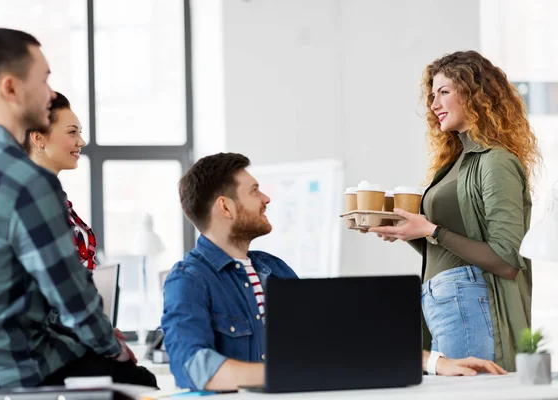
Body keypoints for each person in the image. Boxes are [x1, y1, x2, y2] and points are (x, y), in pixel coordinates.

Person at [161, 152, 507, 392]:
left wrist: (434, 362)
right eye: (253, 191)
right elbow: (193, 366)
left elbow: (335, 340)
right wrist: (293, 375)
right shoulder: (188, 280)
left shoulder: (273, 268)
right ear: (225, 206)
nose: (266, 198)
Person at [0, 28, 156, 393]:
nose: (51, 93)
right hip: (18, 372)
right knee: (141, 380)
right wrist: (113, 348)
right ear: (10, 88)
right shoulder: (26, 180)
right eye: (45, 79)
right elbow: (73, 300)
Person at [370, 50, 541, 372]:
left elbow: (506, 260)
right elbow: (448, 247)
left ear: (476, 94)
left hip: (467, 300)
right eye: (432, 95)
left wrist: (432, 230)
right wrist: (407, 231)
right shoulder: (454, 164)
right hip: (445, 300)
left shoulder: (496, 161)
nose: (433, 105)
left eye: (444, 92)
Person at [24, 91, 96, 271]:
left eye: (80, 133)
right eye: (72, 132)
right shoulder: (29, 200)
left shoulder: (55, 196)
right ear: (38, 137)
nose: (82, 141)